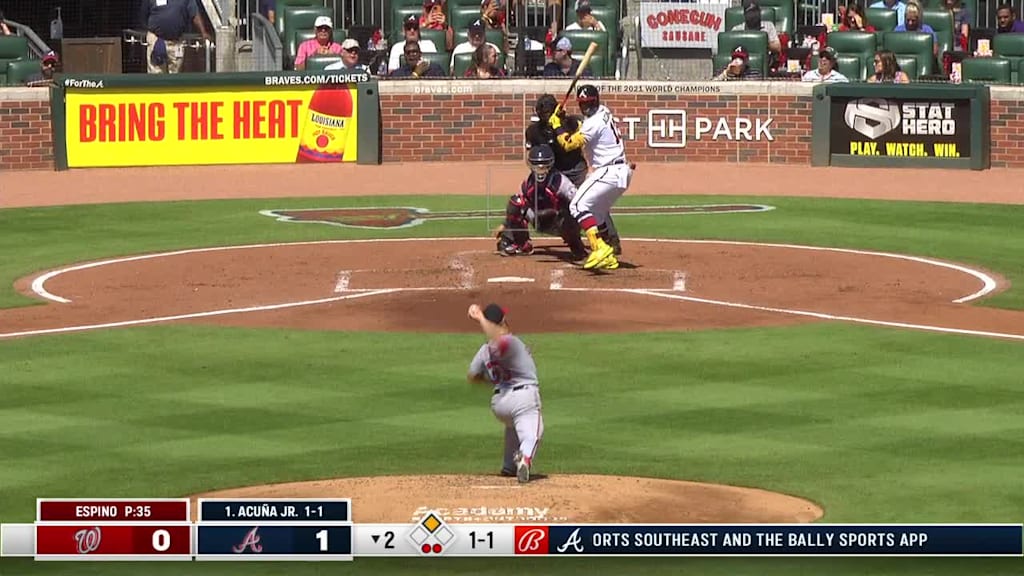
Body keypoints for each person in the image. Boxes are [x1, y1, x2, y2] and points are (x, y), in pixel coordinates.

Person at [549, 84, 633, 270]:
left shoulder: (593, 123)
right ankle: (609, 253)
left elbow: (569, 144)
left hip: (608, 172)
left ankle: (599, 247)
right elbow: (583, 126)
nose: (586, 107)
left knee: (577, 205)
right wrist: (563, 119)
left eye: (589, 103)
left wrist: (556, 125)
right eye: (583, 104)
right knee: (596, 213)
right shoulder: (604, 112)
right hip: (620, 173)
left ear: (596, 101)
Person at [466, 303, 543, 484]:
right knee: (533, 433)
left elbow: (472, 375)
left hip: (500, 403)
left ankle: (509, 465)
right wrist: (481, 318)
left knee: (513, 425)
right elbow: (498, 338)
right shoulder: (510, 342)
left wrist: (491, 380)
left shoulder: (484, 350)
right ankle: (524, 458)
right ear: (501, 322)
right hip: (523, 398)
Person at [494, 144, 588, 261]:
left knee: (570, 213)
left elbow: (578, 201)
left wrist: (587, 225)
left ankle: (577, 247)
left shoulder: (560, 182)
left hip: (559, 220)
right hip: (538, 219)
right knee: (516, 202)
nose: (540, 168)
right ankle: (522, 244)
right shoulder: (528, 183)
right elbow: (521, 205)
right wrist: (505, 225)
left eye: (544, 164)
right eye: (536, 164)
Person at [526, 94, 588, 187]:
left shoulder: (571, 123)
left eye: (548, 112)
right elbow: (533, 155)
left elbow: (576, 142)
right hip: (552, 172)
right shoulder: (534, 131)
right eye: (542, 113)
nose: (546, 116)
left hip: (575, 170)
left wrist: (560, 122)